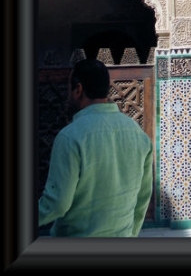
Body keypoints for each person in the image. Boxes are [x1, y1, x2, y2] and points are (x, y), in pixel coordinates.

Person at [38, 57, 153, 237]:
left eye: (69, 89)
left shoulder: (70, 137)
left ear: (78, 89)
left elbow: (56, 204)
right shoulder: (138, 134)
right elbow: (142, 199)